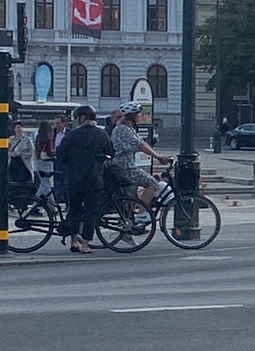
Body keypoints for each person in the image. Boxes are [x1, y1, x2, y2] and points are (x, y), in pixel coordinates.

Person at [53, 106, 114, 253]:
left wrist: (70, 160)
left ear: (83, 117)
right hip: (94, 179)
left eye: (76, 117)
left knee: (74, 210)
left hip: (75, 178)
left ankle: (74, 241)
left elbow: (60, 154)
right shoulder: (102, 134)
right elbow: (111, 152)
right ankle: (86, 244)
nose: (75, 120)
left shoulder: (73, 135)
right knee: (90, 212)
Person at [107, 109, 172, 208]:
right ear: (132, 116)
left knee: (134, 194)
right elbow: (140, 145)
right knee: (153, 183)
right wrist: (158, 157)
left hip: (125, 166)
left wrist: (158, 156)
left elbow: (143, 143)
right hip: (125, 167)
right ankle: (142, 214)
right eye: (138, 114)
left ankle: (132, 215)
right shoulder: (123, 129)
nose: (140, 116)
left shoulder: (128, 128)